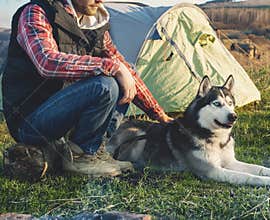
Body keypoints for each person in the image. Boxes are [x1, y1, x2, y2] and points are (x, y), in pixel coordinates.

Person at [2, 0, 172, 177]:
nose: (100, 1)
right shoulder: (37, 12)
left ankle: (95, 151)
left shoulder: (93, 23)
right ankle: (80, 156)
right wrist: (112, 67)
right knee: (105, 84)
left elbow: (124, 68)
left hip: (63, 113)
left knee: (125, 79)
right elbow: (46, 62)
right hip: (30, 120)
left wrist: (160, 115)